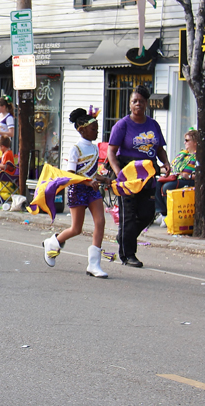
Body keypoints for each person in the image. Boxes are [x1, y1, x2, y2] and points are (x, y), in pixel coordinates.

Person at [107, 84, 171, 268]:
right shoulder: (122, 125)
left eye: (141, 102)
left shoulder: (153, 125)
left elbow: (159, 149)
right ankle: (128, 255)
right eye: (134, 101)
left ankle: (124, 237)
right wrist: (119, 173)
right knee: (129, 215)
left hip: (148, 173)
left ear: (146, 104)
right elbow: (112, 152)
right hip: (128, 174)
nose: (138, 104)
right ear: (129, 104)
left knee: (147, 213)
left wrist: (165, 162)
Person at [43, 108, 109, 278]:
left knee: (100, 222)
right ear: (82, 130)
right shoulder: (76, 149)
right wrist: (88, 181)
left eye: (97, 128)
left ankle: (94, 264)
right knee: (76, 228)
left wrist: (103, 179)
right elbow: (70, 175)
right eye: (93, 129)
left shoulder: (94, 149)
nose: (96, 131)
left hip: (92, 191)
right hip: (78, 190)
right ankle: (54, 241)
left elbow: (92, 174)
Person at [155, 128, 198, 218]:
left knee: (167, 186)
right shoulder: (182, 154)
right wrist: (158, 170)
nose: (184, 142)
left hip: (189, 180)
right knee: (155, 183)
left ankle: (169, 214)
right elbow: (172, 168)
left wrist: (189, 176)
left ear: (195, 142)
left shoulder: (198, 156)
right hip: (174, 177)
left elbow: (201, 175)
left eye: (187, 140)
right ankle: (163, 213)